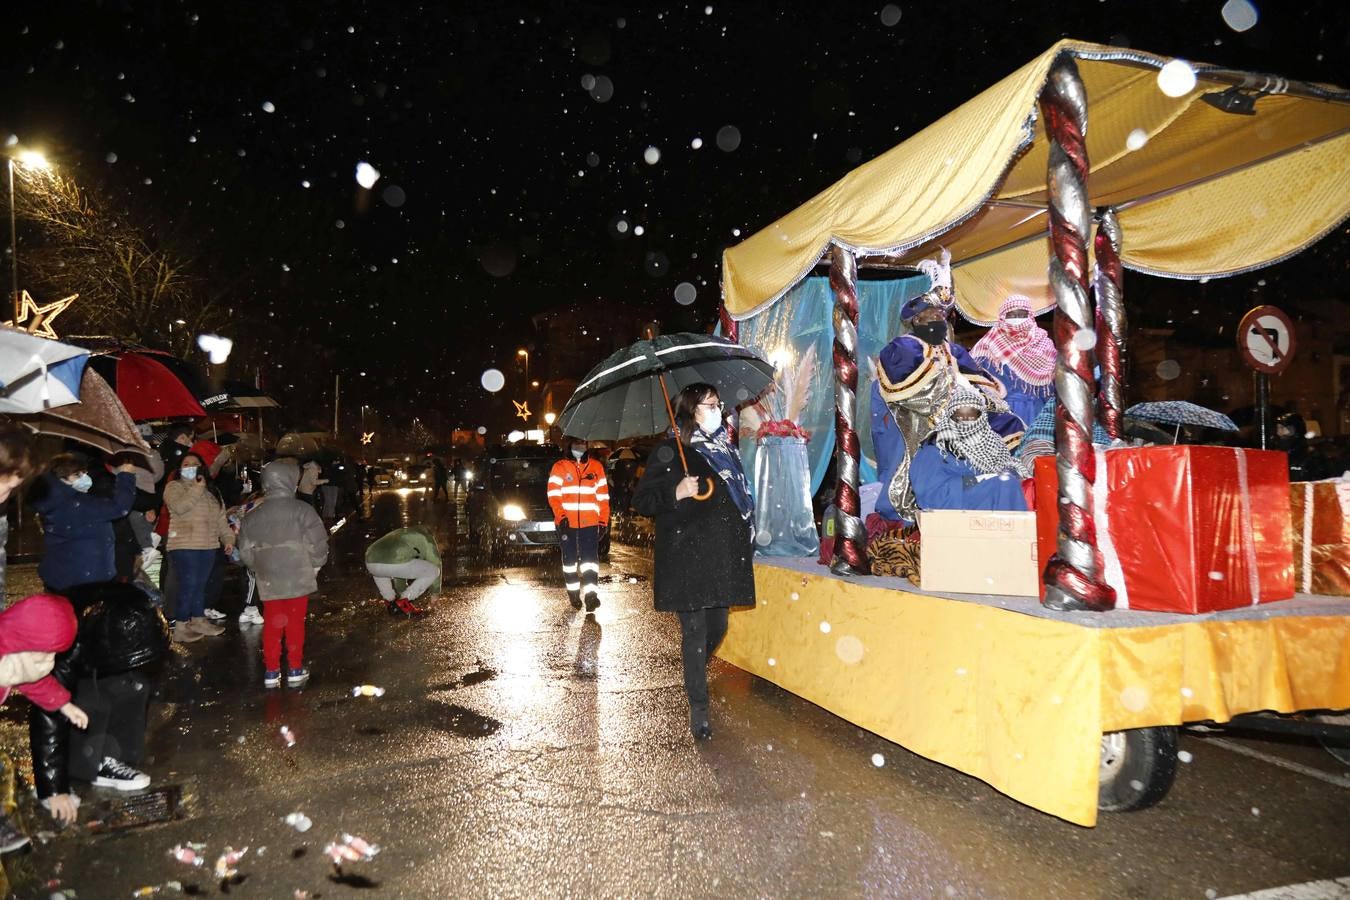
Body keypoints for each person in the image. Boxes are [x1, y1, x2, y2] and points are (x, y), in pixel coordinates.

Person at [632, 383, 755, 741]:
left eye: (718, 404)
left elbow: (737, 498)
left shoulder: (726, 450)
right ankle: (699, 709)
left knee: (718, 628)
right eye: (709, 405)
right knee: (696, 633)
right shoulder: (671, 450)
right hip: (686, 556)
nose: (718, 410)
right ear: (690, 410)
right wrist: (676, 492)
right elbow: (643, 501)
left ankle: (692, 673)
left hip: (719, 556)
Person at [871, 250, 1022, 524]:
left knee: (997, 436)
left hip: (954, 422)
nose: (936, 322)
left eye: (939, 317)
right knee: (918, 467)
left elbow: (980, 383)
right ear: (915, 321)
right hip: (918, 422)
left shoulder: (952, 350)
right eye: (929, 318)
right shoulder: (904, 347)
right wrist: (956, 397)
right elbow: (913, 388)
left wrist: (983, 401)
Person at [27, 582, 167, 823]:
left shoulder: (127, 609)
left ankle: (110, 757)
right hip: (78, 652)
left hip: (97, 643)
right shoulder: (66, 641)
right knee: (89, 697)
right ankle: (88, 761)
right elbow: (46, 711)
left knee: (133, 685)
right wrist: (53, 787)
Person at [0, 594, 86, 848]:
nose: (49, 665)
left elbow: (34, 683)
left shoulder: (12, 661)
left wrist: (64, 705)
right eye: (42, 658)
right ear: (17, 646)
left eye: (53, 657)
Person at [237, 460, 330, 688]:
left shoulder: (253, 515)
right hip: (298, 573)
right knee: (295, 623)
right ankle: (295, 668)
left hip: (269, 576)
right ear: (291, 481)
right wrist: (316, 564)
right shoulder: (302, 510)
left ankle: (271, 671)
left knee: (272, 623)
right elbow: (318, 543)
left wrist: (257, 566)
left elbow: (246, 551)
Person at [31, 452, 138, 598]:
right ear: (61, 479)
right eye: (77, 475)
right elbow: (119, 507)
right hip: (83, 583)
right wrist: (126, 476)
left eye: (84, 473)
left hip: (67, 577)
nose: (85, 478)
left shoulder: (58, 500)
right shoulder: (74, 504)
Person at [910, 388, 1031, 512]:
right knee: (1003, 484)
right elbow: (931, 494)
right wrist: (978, 480)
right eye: (960, 416)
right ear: (950, 417)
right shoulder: (935, 448)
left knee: (1011, 483)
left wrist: (1011, 470)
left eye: (971, 416)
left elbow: (1009, 464)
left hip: (990, 497)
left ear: (982, 418)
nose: (966, 421)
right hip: (951, 508)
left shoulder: (991, 442)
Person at [162, 453, 235, 642]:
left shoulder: (212, 492)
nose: (191, 467)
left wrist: (228, 539)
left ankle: (198, 620)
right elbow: (179, 507)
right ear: (179, 468)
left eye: (195, 464)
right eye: (186, 464)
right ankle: (180, 625)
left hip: (208, 545)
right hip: (184, 545)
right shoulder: (174, 487)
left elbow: (221, 520)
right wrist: (196, 488)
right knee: (188, 585)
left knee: (199, 585)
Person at [969, 294, 1057, 430]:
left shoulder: (1045, 344)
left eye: (1022, 314)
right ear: (1003, 316)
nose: (1017, 319)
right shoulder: (989, 343)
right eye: (1012, 315)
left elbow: (1053, 387)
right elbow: (977, 379)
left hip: (1041, 413)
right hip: (1005, 415)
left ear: (1030, 316)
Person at [548, 437, 610, 611]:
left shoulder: (596, 467)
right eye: (577, 442)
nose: (580, 446)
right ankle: (574, 594)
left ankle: (591, 596)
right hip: (567, 524)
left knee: (590, 561)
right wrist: (561, 517)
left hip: (590, 523)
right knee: (570, 561)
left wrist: (603, 521)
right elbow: (553, 496)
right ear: (570, 445)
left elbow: (604, 498)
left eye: (583, 442)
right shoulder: (559, 467)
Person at [364, 527, 441, 618]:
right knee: (433, 571)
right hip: (394, 561)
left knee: (386, 568)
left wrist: (401, 592)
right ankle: (404, 601)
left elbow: (399, 573)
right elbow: (436, 562)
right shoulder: (427, 538)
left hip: (370, 562)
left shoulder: (401, 533)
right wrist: (435, 593)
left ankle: (390, 602)